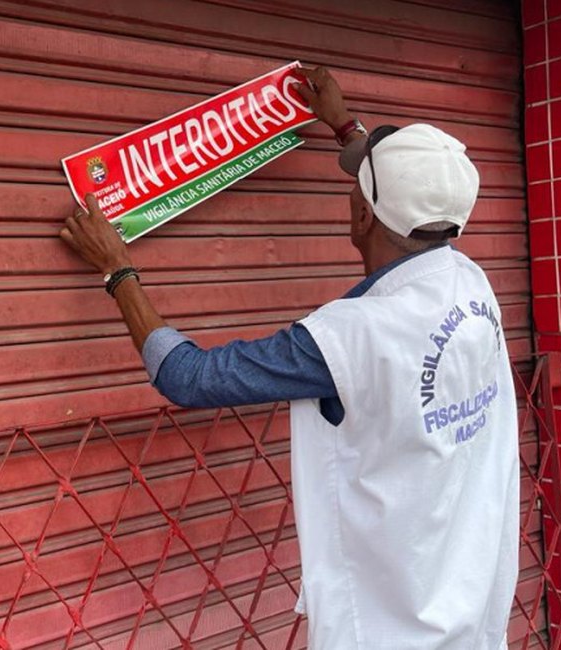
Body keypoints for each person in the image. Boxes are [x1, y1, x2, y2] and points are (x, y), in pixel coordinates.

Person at [59, 66, 520, 650]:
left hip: (392, 627)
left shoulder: (353, 336)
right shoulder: (471, 282)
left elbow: (188, 377)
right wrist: (344, 126)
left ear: (359, 219)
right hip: (467, 606)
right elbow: (408, 205)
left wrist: (117, 267)